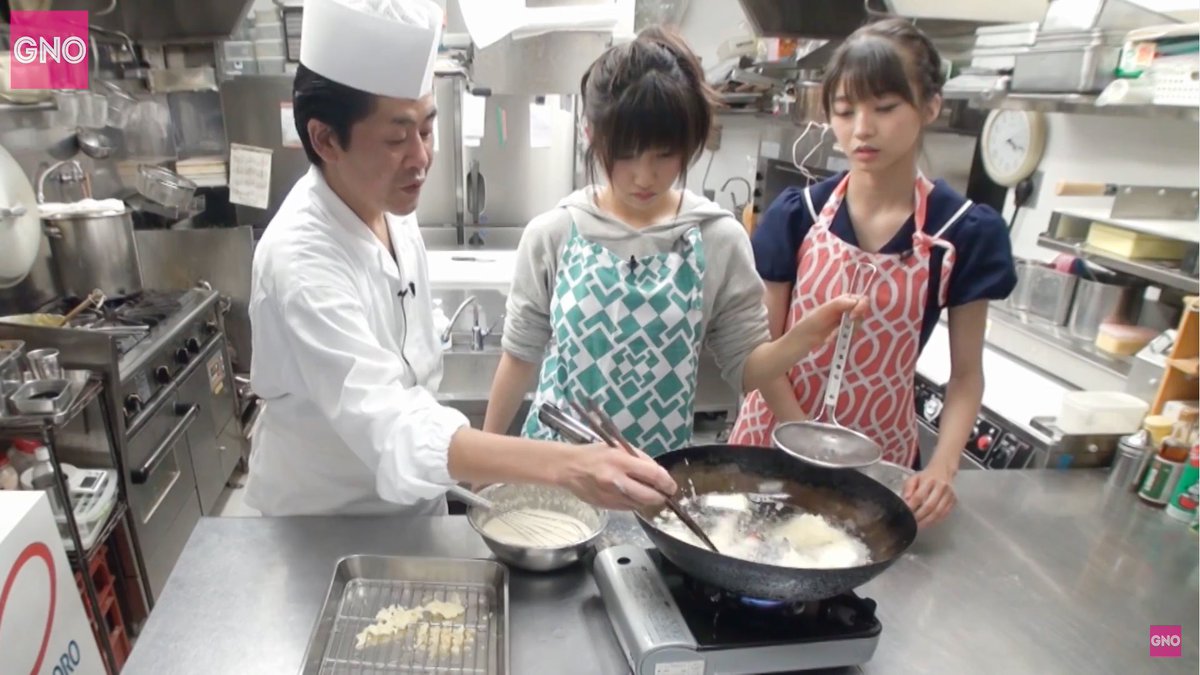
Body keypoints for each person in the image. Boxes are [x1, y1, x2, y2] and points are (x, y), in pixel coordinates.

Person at [245, 0, 677, 516]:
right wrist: (568, 464)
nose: (421, 158)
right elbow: (394, 427)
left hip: (412, 510)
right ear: (325, 139)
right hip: (323, 523)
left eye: (426, 130)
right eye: (396, 138)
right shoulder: (301, 260)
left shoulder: (389, 207)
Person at [482, 27, 862, 456]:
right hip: (557, 469)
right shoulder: (553, 234)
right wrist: (486, 461)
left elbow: (746, 369)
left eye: (664, 155)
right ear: (591, 133)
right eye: (625, 155)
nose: (644, 176)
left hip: (658, 471)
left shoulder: (717, 239)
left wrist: (803, 338)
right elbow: (519, 357)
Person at [729, 18, 1017, 528]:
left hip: (876, 458)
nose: (862, 128)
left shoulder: (961, 232)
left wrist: (943, 467)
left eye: (884, 108)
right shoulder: (798, 217)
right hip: (772, 441)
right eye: (845, 111)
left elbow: (966, 375)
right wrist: (806, 440)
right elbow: (765, 353)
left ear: (930, 106)